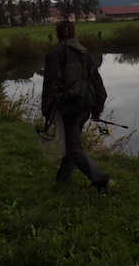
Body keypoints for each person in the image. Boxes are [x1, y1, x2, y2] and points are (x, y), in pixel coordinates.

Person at [41, 20, 113, 195]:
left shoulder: (55, 55)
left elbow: (50, 85)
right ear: (74, 34)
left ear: (58, 36)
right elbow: (98, 84)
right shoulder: (85, 54)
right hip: (85, 107)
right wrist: (97, 110)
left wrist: (47, 111)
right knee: (72, 144)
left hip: (69, 109)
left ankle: (101, 180)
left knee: (73, 148)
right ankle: (63, 179)